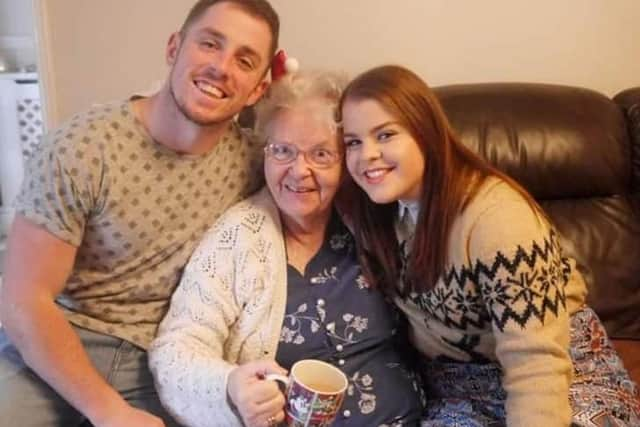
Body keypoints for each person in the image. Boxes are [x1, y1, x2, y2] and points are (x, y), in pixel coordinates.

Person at [0, 1, 279, 426]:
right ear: (174, 48)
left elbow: (320, 152)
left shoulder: (258, 163)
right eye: (209, 44)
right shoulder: (83, 148)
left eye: (245, 61)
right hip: (59, 345)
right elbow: (24, 300)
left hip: (164, 361)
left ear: (259, 88)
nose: (222, 68)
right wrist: (108, 411)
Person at [339, 65, 640, 427]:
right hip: (458, 383)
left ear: (427, 133)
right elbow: (295, 165)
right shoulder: (374, 210)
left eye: (385, 135)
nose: (366, 154)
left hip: (561, 369)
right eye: (353, 141)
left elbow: (537, 364)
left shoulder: (498, 220)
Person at [149, 70, 425, 427]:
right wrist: (231, 386)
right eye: (282, 151)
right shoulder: (238, 238)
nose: (299, 171)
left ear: (346, 161)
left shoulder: (374, 219)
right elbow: (174, 350)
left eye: (321, 154)